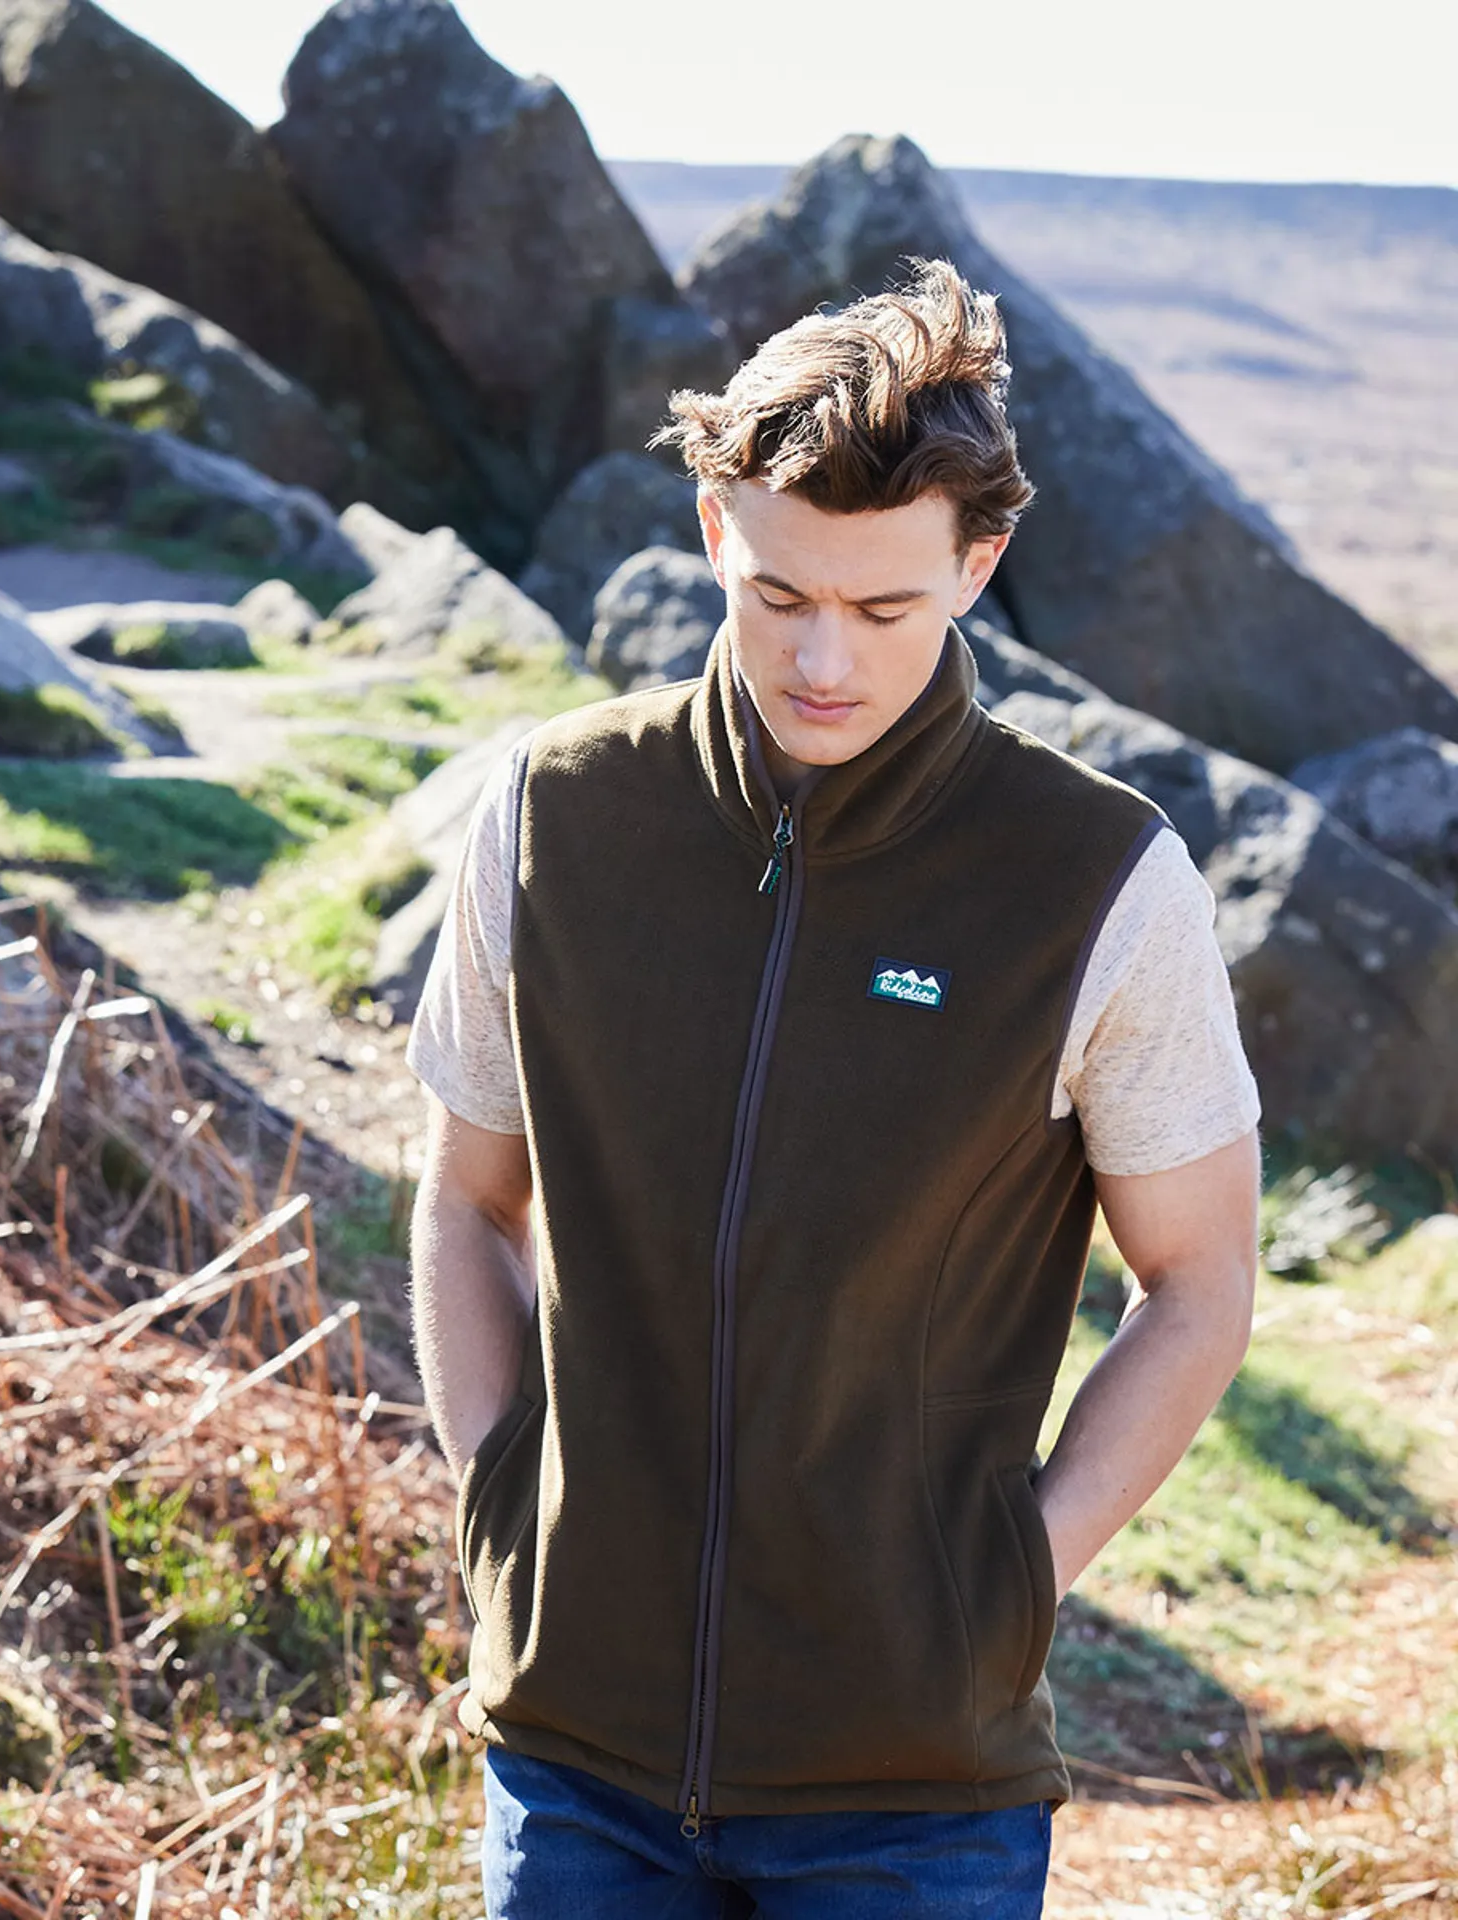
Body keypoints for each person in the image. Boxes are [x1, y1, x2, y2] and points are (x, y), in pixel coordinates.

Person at [403, 258, 1261, 1918]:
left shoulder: (1092, 879)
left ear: (977, 567)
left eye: (884, 612)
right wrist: (502, 1507)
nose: (822, 662)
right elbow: (465, 1195)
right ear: (715, 528)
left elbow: (1202, 1278)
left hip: (911, 1799)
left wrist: (1009, 1586)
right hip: (577, 1762)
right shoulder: (555, 817)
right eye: (779, 593)